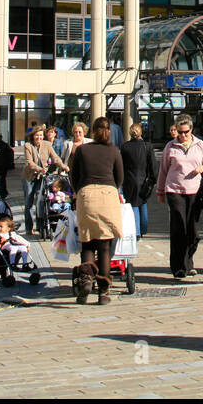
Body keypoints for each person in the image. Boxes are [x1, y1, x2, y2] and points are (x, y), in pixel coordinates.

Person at [70, 116, 125, 304]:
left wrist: (79, 191)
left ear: (92, 131)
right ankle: (103, 292)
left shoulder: (82, 150)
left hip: (86, 195)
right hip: (108, 194)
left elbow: (74, 175)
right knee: (104, 245)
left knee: (87, 242)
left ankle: (86, 281)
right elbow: (119, 177)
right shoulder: (114, 151)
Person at [156, 115, 203, 280]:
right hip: (174, 191)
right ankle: (178, 267)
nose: (182, 136)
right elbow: (163, 170)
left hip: (195, 192)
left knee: (193, 231)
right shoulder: (170, 146)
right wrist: (160, 191)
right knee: (178, 228)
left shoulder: (200, 145)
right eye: (179, 132)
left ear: (191, 130)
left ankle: (189, 261)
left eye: (185, 132)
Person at [120, 122, 154, 237]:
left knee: (133, 204)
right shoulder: (147, 146)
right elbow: (152, 165)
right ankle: (143, 229)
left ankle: (137, 231)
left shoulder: (125, 147)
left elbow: (122, 165)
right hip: (144, 180)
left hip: (129, 180)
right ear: (141, 132)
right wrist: (153, 179)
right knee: (143, 203)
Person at [22, 127, 57, 235]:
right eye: (37, 135)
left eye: (41, 135)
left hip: (41, 177)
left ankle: (40, 225)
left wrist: (63, 166)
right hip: (29, 177)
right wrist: (40, 169)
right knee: (28, 202)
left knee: (40, 200)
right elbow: (29, 162)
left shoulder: (47, 144)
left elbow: (55, 157)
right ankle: (29, 227)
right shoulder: (28, 146)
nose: (39, 137)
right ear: (33, 136)